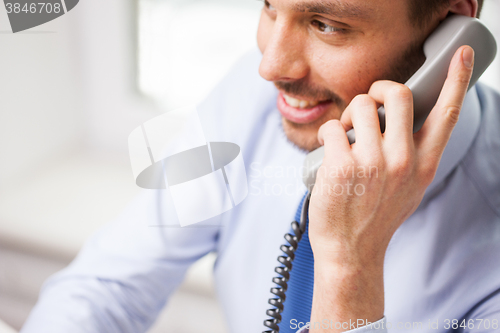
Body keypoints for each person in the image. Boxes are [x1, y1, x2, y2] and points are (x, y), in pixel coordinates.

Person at [21, 0, 500, 332]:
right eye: (270, 5)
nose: (271, 66)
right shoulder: (254, 100)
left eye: (326, 23)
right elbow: (109, 285)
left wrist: (350, 264)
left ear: (447, 32)